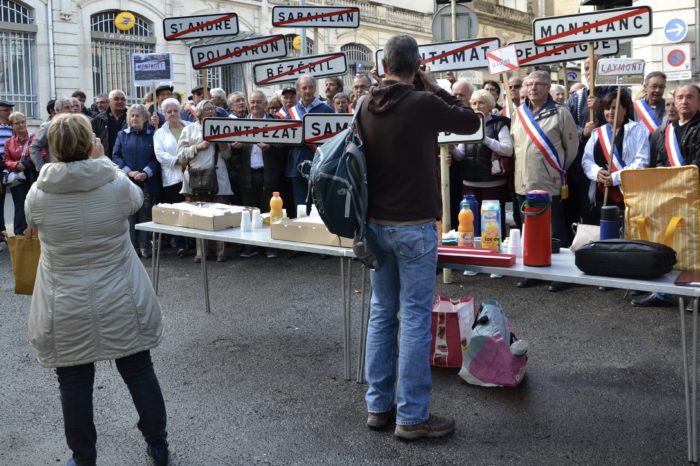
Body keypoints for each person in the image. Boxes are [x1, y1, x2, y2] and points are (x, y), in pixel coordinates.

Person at [25, 113, 168, 466]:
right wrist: (101, 159)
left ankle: (83, 457)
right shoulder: (114, 182)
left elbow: (32, 221)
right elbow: (136, 200)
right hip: (120, 295)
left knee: (73, 382)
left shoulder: (39, 194)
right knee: (138, 371)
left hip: (66, 302)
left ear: (54, 150)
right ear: (91, 145)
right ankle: (159, 445)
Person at [359, 34, 480, 439]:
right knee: (413, 317)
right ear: (417, 64)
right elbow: (469, 118)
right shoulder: (422, 102)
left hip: (375, 224)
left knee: (381, 314)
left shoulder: (363, 104)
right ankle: (411, 417)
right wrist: (433, 85)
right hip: (414, 226)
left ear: (384, 64)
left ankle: (379, 407)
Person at [511, 70, 578, 292]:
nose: (532, 88)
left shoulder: (560, 113)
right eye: (529, 84)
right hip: (523, 181)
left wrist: (555, 170)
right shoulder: (518, 113)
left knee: (555, 231)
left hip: (549, 182)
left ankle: (562, 275)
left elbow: (571, 149)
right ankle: (534, 270)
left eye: (538, 84)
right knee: (529, 230)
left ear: (548, 87)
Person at [176, 100, 233, 262]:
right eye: (207, 109)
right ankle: (201, 252)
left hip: (218, 177)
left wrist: (221, 143)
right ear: (199, 113)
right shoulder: (189, 130)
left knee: (220, 214)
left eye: (212, 109)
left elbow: (228, 155)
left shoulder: (221, 128)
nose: (210, 112)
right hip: (196, 178)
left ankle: (221, 252)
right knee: (200, 216)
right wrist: (197, 147)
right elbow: (180, 155)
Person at [451, 89, 513, 239]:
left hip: (493, 184)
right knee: (470, 225)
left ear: (490, 105)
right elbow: (460, 156)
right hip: (469, 184)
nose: (476, 106)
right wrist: (451, 147)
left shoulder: (499, 124)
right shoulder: (466, 125)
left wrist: (484, 139)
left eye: (481, 102)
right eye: (473, 103)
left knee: (493, 228)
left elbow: (508, 150)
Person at [231, 91, 285, 259]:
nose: (255, 105)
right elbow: (232, 157)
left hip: (269, 175)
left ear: (265, 103)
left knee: (270, 212)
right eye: (252, 102)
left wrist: (271, 148)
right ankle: (251, 246)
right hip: (247, 176)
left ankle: (271, 246)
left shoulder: (276, 123)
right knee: (250, 211)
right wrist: (235, 149)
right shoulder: (240, 125)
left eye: (258, 102)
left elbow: (285, 150)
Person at [581, 91, 649, 224]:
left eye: (615, 108)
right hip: (602, 192)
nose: (611, 112)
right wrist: (597, 173)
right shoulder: (597, 133)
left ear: (625, 110)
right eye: (607, 108)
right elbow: (587, 160)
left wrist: (615, 177)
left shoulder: (637, 130)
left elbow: (642, 162)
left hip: (627, 194)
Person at [112, 104, 161, 259]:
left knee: (145, 215)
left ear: (145, 118)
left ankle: (145, 246)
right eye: (132, 115)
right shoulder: (122, 135)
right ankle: (131, 247)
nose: (134, 118)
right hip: (128, 181)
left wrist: (146, 173)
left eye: (138, 115)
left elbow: (156, 158)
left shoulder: (152, 135)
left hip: (147, 181)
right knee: (130, 215)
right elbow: (116, 156)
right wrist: (129, 172)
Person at [284, 75, 333, 208]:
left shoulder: (326, 110)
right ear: (298, 91)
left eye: (310, 87)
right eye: (304, 88)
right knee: (300, 206)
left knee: (320, 206)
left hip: (319, 165)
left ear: (315, 89)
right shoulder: (291, 112)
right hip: (296, 166)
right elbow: (286, 139)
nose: (307, 91)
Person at [154, 98, 190, 257]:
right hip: (173, 178)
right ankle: (180, 244)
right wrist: (177, 161)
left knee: (193, 209)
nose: (173, 113)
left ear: (180, 111)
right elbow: (160, 155)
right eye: (169, 111)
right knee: (177, 211)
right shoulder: (160, 133)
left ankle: (195, 243)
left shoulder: (189, 127)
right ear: (163, 114)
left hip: (192, 175)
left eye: (175, 110)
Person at [3, 111, 34, 234]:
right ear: (12, 126)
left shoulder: (34, 138)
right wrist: (16, 165)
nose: (21, 125)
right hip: (17, 178)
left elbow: (40, 155)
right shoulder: (9, 142)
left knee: (32, 207)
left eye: (23, 122)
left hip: (31, 176)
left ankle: (33, 235)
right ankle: (19, 235)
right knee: (19, 207)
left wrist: (24, 165)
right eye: (17, 123)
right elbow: (6, 160)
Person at [91, 89, 128, 159]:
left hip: (127, 163)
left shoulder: (132, 118)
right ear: (109, 102)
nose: (120, 101)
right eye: (116, 99)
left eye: (123, 99)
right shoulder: (98, 120)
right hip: (105, 161)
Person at [0, 99, 13, 238]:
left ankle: (2, 230)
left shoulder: (12, 128)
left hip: (8, 166)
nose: (9, 112)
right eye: (6, 110)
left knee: (3, 199)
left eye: (10, 110)